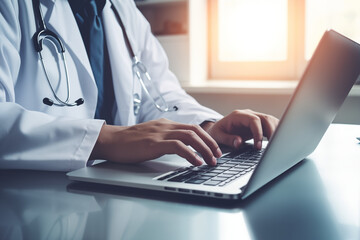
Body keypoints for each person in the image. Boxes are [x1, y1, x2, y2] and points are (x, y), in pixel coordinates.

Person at [0, 0, 278, 171]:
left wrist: (207, 128)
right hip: (33, 202)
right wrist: (106, 139)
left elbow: (159, 95)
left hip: (117, 193)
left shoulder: (121, 8)